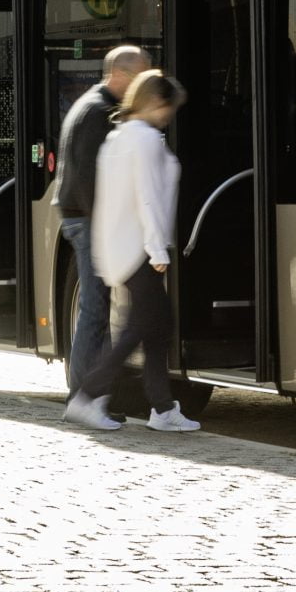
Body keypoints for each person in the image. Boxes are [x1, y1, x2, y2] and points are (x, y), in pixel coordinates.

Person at [66, 69, 199, 434]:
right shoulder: (144, 141)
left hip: (123, 247)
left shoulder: (120, 138)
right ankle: (89, 397)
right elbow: (148, 198)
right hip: (141, 248)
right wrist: (158, 250)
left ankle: (161, 407)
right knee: (143, 328)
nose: (170, 115)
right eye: (169, 107)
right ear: (156, 102)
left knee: (154, 328)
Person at [56, 45, 150, 395]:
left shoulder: (92, 105)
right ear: (121, 75)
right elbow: (88, 179)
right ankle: (83, 394)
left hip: (81, 218)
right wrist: (106, 228)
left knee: (96, 307)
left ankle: (95, 393)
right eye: (139, 76)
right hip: (87, 222)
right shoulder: (98, 112)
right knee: (95, 309)